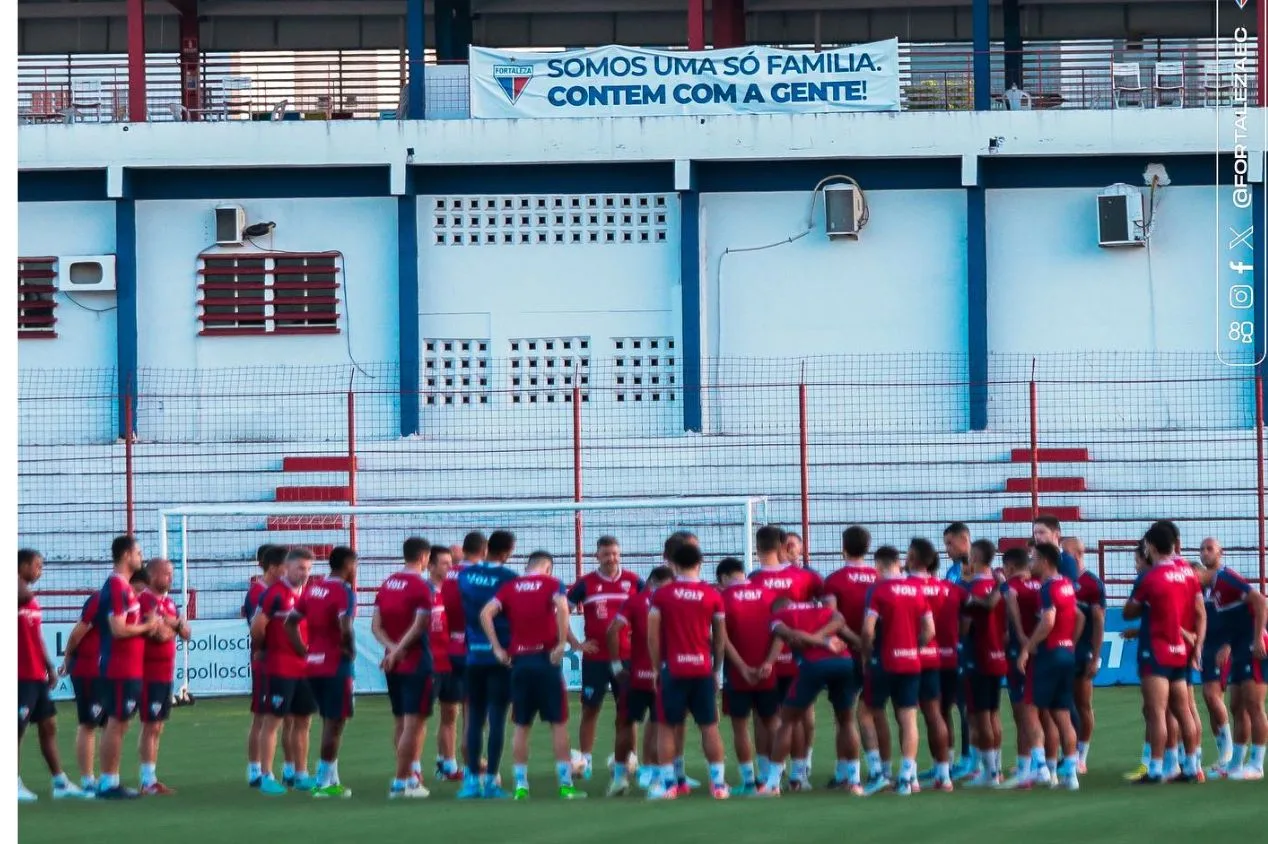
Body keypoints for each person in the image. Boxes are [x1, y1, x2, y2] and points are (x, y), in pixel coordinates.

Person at [480, 550, 584, 800]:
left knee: (521, 726)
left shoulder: (511, 586)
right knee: (558, 724)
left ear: (528, 566)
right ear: (548, 568)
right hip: (545, 660)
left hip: (520, 662)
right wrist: (561, 643)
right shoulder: (551, 584)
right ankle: (566, 785)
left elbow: (485, 614)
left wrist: (496, 647)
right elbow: (561, 606)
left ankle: (520, 786)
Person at [646, 542, 730, 800]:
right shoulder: (713, 594)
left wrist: (656, 667)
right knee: (709, 726)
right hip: (702, 668)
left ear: (673, 565)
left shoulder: (662, 595)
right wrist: (717, 668)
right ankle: (718, 785)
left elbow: (652, 636)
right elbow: (720, 636)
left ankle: (669, 784)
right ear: (700, 563)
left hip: (673, 668)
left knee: (667, 727)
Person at [1123, 523, 1205, 784]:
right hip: (1180, 649)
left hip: (1156, 648)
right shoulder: (1188, 573)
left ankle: (1157, 769)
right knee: (1184, 710)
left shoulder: (1151, 577)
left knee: (1156, 712)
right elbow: (1197, 608)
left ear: (1150, 546)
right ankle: (1191, 765)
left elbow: (1129, 612)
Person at [748, 524, 821, 790]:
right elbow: (825, 608)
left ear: (757, 548)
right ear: (783, 546)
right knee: (797, 716)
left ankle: (768, 775)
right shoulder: (804, 577)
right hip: (798, 658)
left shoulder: (751, 579)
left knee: (763, 716)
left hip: (763, 659)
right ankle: (799, 775)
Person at [762, 596, 858, 796]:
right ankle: (855, 781)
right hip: (845, 663)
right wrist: (824, 638)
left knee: (787, 721)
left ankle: (772, 784)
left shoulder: (777, 617)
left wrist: (817, 641)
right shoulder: (822, 610)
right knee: (847, 721)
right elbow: (841, 623)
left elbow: (789, 635)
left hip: (814, 665)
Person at [567, 536, 643, 782]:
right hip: (596, 659)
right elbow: (560, 612)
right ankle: (585, 761)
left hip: (628, 658)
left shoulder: (634, 582)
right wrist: (576, 643)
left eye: (615, 554)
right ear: (596, 555)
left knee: (628, 712)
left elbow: (649, 612)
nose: (612, 558)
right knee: (591, 708)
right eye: (606, 554)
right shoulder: (585, 584)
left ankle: (630, 759)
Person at [861, 545, 935, 796]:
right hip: (911, 662)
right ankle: (907, 777)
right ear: (899, 562)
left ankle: (877, 772)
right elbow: (930, 630)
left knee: (866, 714)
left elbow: (868, 630)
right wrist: (915, 646)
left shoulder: (878, 589)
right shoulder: (917, 589)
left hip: (884, 661)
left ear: (879, 565)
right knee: (908, 718)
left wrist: (867, 652)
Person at [19, 549, 88, 802]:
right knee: (16, 730)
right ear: (22, 565)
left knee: (48, 725)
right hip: (18, 674)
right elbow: (22, 592)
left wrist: (48, 666)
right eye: (37, 565)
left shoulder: (31, 600)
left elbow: (35, 637)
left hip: (35, 674)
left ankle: (60, 782)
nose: (40, 571)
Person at [289, 546, 357, 798]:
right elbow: (346, 626)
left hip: (313, 663)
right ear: (348, 565)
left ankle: (332, 779)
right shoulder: (343, 591)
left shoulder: (314, 589)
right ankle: (323, 782)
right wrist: (349, 648)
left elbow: (291, 622)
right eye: (354, 566)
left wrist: (303, 651)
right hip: (335, 664)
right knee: (334, 722)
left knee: (330, 720)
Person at [95, 535, 159, 799]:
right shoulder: (118, 588)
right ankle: (108, 782)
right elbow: (118, 629)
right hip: (120, 667)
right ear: (126, 555)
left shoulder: (123, 587)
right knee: (117, 723)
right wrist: (147, 626)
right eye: (138, 552)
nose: (141, 557)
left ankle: (110, 781)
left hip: (128, 666)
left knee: (120, 723)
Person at [457, 529, 520, 799]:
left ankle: (472, 781)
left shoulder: (465, 575)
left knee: (474, 719)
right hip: (500, 655)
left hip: (473, 655)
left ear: (486, 548)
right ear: (507, 552)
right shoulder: (509, 579)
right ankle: (492, 781)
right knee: (497, 719)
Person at [822, 526, 884, 791]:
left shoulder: (834, 580)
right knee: (871, 714)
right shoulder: (878, 577)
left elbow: (831, 618)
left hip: (844, 653)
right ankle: (875, 769)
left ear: (843, 547)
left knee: (844, 716)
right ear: (868, 547)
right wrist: (868, 642)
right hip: (875, 653)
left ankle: (850, 773)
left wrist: (855, 640)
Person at [250, 547, 316, 795]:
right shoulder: (274, 595)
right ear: (287, 568)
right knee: (272, 722)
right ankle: (266, 775)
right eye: (301, 568)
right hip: (280, 667)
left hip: (303, 669)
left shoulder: (307, 596)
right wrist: (265, 647)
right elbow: (258, 627)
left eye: (309, 569)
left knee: (303, 722)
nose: (306, 573)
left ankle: (300, 773)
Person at [1016, 543, 1083, 790]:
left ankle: (1041, 766)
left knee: (1030, 709)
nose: (1030, 564)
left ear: (1044, 561)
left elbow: (1048, 619)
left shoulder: (1047, 588)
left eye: (1033, 559)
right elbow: (1079, 617)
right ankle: (1070, 775)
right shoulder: (1066, 585)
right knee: (1062, 714)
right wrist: (1070, 645)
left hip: (1048, 654)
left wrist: (1028, 647)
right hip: (1066, 654)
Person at [373, 537, 435, 799]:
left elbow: (376, 626)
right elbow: (420, 625)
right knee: (414, 724)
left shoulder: (388, 583)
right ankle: (401, 782)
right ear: (424, 557)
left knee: (401, 721)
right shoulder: (421, 586)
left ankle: (407, 775)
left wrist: (391, 650)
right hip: (415, 661)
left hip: (393, 663)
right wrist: (399, 651)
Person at [607, 565, 674, 795]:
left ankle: (619, 777)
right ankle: (654, 778)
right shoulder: (670, 602)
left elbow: (612, 630)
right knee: (658, 726)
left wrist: (617, 665)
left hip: (636, 675)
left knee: (625, 724)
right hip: (662, 676)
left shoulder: (634, 601)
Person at [716, 557, 780, 796]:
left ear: (722, 579)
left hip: (737, 673)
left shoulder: (723, 598)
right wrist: (769, 663)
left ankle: (749, 782)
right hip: (766, 672)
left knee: (740, 727)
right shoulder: (767, 594)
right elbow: (780, 632)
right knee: (771, 723)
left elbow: (721, 639)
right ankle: (771, 779)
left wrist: (742, 667)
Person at [1212, 540, 1268, 780]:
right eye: (1202, 549)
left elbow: (1260, 600)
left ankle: (1256, 764)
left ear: (1220, 553)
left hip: (1252, 647)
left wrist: (1257, 639)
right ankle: (1236, 763)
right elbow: (1233, 621)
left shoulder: (1227, 578)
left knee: (1254, 704)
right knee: (1236, 705)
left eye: (1209, 549)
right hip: (1238, 649)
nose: (1204, 553)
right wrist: (1227, 645)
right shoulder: (1214, 589)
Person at [905, 538, 957, 791]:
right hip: (937, 655)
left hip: (910, 654)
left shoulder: (905, 586)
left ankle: (910, 776)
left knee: (907, 716)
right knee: (936, 713)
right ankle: (944, 775)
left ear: (913, 557)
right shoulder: (944, 587)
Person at [136, 558, 190, 795]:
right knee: (150, 725)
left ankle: (151, 778)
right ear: (153, 575)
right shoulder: (144, 601)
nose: (171, 578)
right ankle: (147, 781)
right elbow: (158, 635)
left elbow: (186, 632)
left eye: (171, 573)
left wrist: (173, 623)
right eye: (166, 574)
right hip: (148, 671)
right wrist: (174, 627)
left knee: (157, 726)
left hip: (164, 671)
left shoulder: (168, 603)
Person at [438, 531, 487, 781]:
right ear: (484, 549)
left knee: (450, 712)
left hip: (452, 648)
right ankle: (473, 766)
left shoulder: (450, 576)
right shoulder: (480, 576)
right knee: (474, 712)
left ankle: (448, 764)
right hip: (473, 649)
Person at [998, 545, 1047, 788]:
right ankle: (1045, 765)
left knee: (1022, 713)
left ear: (1009, 567)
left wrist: (1018, 635)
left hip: (1020, 651)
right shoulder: (1042, 585)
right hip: (1044, 652)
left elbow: (1011, 613)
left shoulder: (1010, 588)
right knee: (1043, 713)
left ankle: (1029, 769)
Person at [961, 539, 1006, 787]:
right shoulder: (995, 585)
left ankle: (988, 775)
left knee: (980, 716)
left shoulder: (975, 588)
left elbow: (965, 627)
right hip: (997, 654)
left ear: (975, 558)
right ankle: (995, 769)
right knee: (993, 713)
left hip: (978, 656)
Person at [245, 545, 288, 788]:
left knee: (272, 717)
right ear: (273, 568)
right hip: (264, 662)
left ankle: (269, 769)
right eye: (286, 566)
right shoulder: (257, 594)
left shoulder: (273, 592)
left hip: (277, 662)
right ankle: (257, 770)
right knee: (262, 717)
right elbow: (257, 629)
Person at [1062, 537, 1105, 774]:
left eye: (1066, 552)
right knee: (1061, 705)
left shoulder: (1091, 583)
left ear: (1078, 554)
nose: (1062, 557)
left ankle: (1081, 756)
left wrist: (1095, 656)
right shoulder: (1060, 579)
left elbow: (1099, 621)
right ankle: (1066, 752)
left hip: (1082, 652)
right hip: (1061, 649)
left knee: (1082, 703)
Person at [59, 582, 106, 792]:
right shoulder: (101, 599)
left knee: (109, 724)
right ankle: (88, 780)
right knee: (89, 723)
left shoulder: (132, 601)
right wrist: (68, 658)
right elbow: (79, 630)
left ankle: (108, 777)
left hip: (110, 672)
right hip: (89, 669)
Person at [941, 522, 975, 778]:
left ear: (965, 540)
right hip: (952, 647)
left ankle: (971, 759)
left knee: (968, 706)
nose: (947, 549)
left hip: (971, 647)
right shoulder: (953, 571)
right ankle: (949, 761)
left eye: (950, 543)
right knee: (949, 703)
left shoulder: (974, 570)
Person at [426, 545, 460, 782]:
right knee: (416, 719)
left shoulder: (454, 591)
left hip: (451, 662)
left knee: (451, 713)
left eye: (452, 562)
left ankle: (447, 764)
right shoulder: (422, 592)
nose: (450, 567)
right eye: (445, 563)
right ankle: (410, 770)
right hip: (428, 663)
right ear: (431, 566)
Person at [1032, 516, 1080, 582]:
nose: (1037, 537)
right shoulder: (1033, 559)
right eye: (1035, 533)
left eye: (1042, 532)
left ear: (1057, 534)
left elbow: (1070, 588)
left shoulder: (1066, 559)